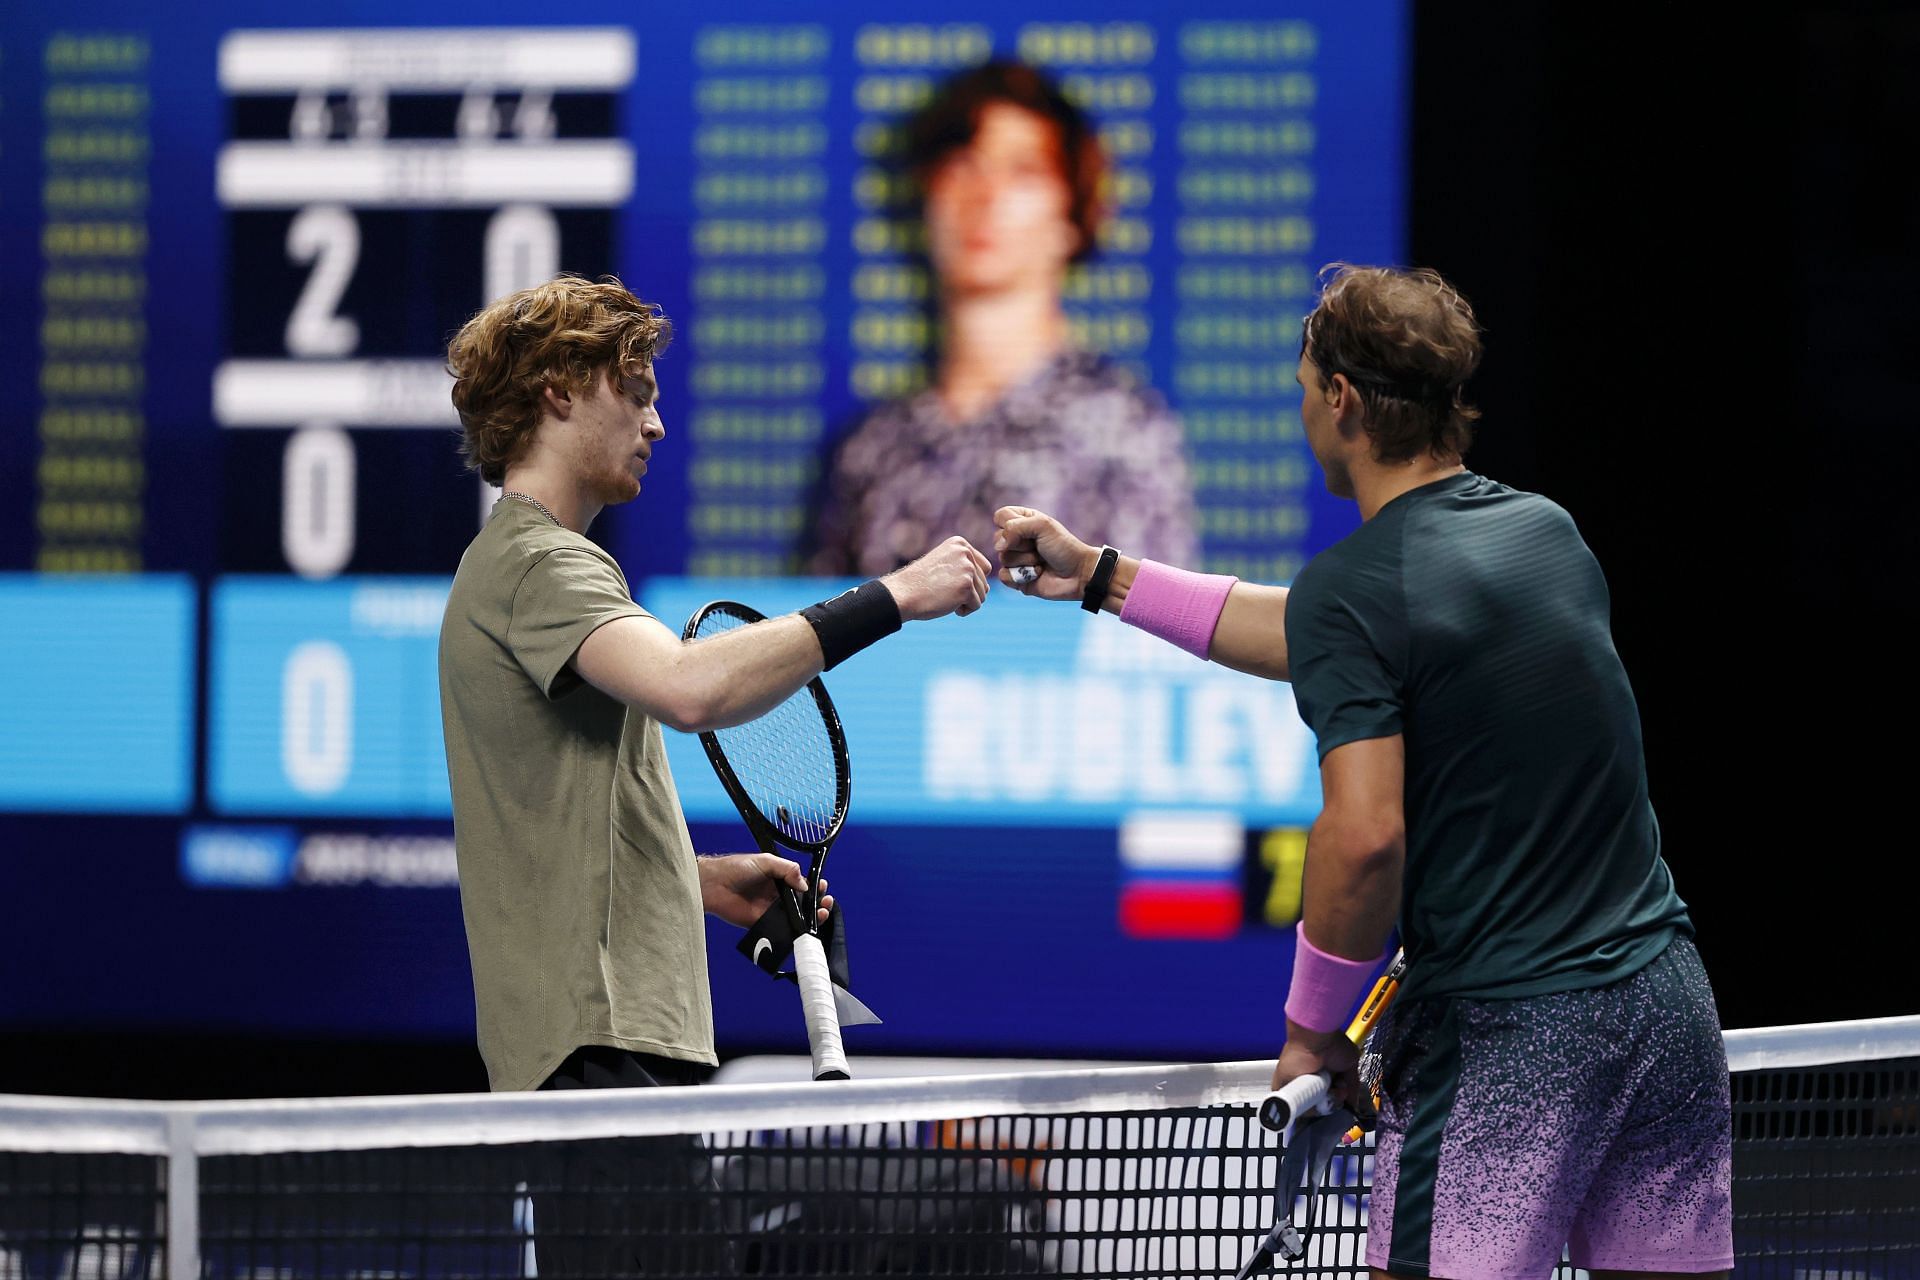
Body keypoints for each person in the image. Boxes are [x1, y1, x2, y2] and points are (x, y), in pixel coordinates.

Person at [992, 264, 1732, 1279]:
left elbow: (1365, 834)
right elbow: (1334, 627)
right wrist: (1104, 576)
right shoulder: (1544, 534)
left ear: (1342, 398)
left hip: (1511, 1037)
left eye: (1303, 384)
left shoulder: (1359, 590)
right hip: (1666, 1011)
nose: (1301, 405)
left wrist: (1311, 1029)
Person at [439, 274, 990, 1273]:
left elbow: (552, 823)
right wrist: (896, 595)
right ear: (559, 390)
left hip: (615, 1054)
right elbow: (692, 689)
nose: (656, 420)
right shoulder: (536, 562)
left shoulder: (536, 567)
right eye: (635, 388)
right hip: (596, 1059)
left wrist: (692, 879)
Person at [809, 58, 1197, 576]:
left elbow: (1151, 639)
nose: (984, 197)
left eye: (1024, 171)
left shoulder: (1123, 430)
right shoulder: (871, 447)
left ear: (1074, 215)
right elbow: (818, 640)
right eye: (961, 165)